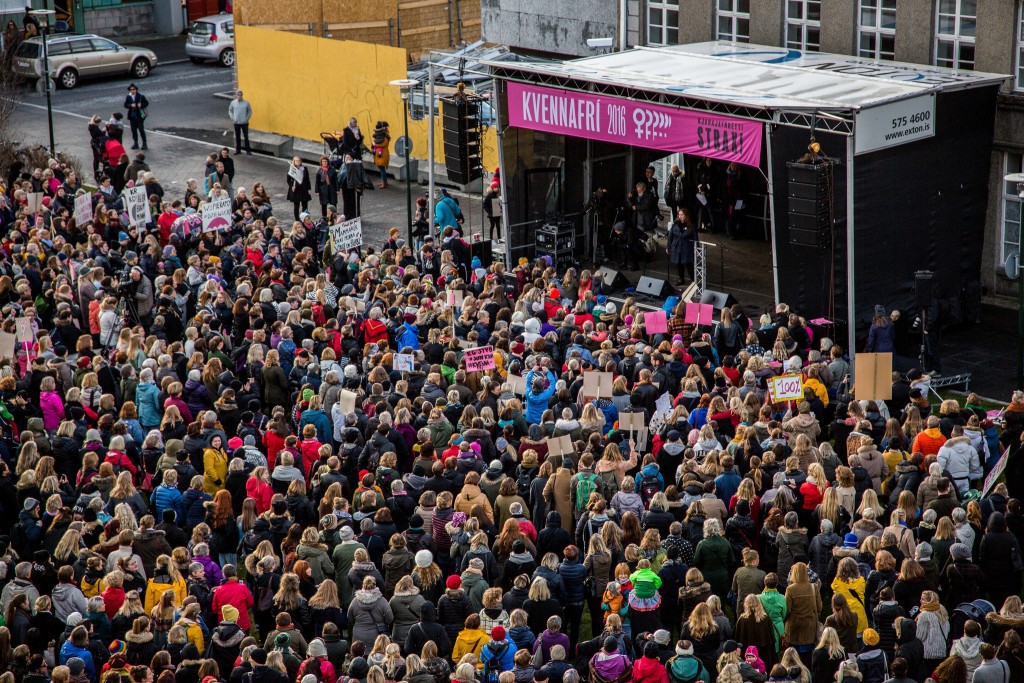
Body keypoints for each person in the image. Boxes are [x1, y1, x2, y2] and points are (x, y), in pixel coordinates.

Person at [666, 208, 696, 286]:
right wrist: (668, 247)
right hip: (677, 247)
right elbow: (670, 236)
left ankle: (693, 280)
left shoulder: (691, 225)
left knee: (688, 264)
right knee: (679, 264)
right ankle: (681, 279)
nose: (680, 216)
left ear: (686, 216)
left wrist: (697, 249)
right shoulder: (675, 224)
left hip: (686, 248)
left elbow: (695, 238)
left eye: (682, 214)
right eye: (679, 214)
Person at [286, 156, 312, 221]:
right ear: (294, 162)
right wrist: (292, 186)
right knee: (296, 206)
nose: (298, 162)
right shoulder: (292, 169)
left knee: (305, 205)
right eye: (296, 161)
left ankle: (304, 218)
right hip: (296, 190)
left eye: (299, 161)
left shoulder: (304, 169)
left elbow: (307, 179)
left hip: (303, 189)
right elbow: (288, 180)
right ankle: (297, 219)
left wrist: (309, 189)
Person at [228, 90, 253, 155]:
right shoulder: (233, 103)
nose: (239, 96)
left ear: (242, 95)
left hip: (244, 123)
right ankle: (238, 150)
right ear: (236, 95)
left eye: (241, 95)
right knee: (237, 136)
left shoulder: (246, 103)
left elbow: (249, 111)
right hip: (236, 123)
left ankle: (248, 150)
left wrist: (246, 119)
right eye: (238, 95)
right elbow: (230, 111)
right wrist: (233, 118)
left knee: (246, 136)